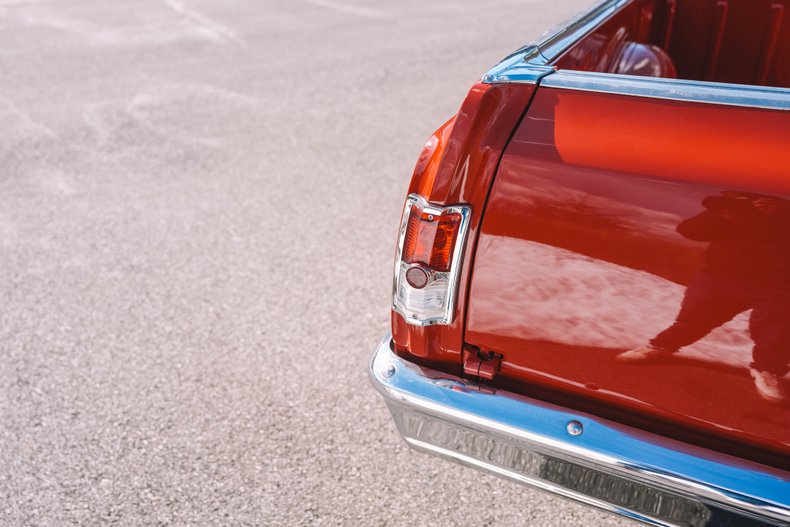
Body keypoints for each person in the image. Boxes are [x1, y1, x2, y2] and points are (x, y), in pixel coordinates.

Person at [618, 192, 790, 402]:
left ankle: (768, 370)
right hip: (721, 276)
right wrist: (722, 216)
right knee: (693, 319)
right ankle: (660, 347)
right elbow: (689, 230)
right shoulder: (737, 206)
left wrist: (784, 214)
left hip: (780, 285)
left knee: (777, 333)